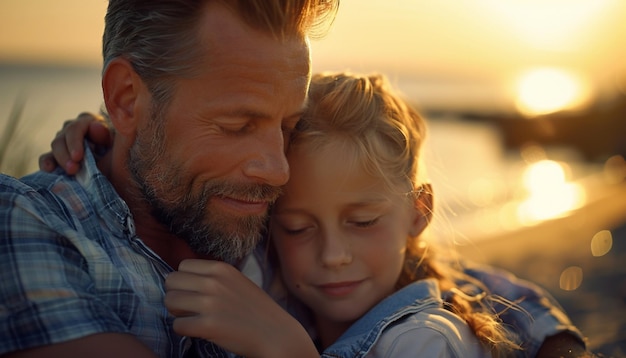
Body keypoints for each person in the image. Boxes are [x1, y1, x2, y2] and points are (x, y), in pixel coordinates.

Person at [43, 74, 593, 357]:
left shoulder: (424, 341)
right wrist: (116, 145)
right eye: (299, 228)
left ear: (418, 213)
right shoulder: (274, 279)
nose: (332, 255)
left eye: (362, 221)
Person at [0, 0, 339, 357]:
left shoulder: (294, 224)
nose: (278, 171)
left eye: (289, 126)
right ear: (126, 99)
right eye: (237, 127)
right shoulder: (26, 220)